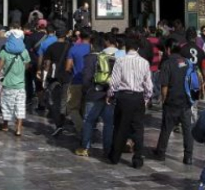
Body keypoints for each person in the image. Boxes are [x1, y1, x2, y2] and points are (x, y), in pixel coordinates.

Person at [107, 36, 153, 168]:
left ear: (125, 48)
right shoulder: (144, 62)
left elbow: (114, 82)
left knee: (120, 127)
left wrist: (110, 94)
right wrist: (145, 98)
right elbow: (148, 85)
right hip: (138, 97)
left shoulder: (120, 61)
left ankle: (115, 156)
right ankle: (138, 159)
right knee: (138, 129)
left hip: (123, 97)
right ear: (138, 48)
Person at [152, 38, 196, 165]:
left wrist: (163, 99)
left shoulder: (167, 63)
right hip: (186, 100)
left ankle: (161, 153)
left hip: (172, 100)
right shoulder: (187, 62)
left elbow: (164, 85)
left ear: (168, 49)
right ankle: (188, 156)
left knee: (166, 128)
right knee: (187, 129)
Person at [76, 35, 116, 157]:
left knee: (89, 120)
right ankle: (107, 149)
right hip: (108, 93)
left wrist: (86, 90)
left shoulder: (89, 58)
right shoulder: (110, 58)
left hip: (93, 94)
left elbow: (87, 77)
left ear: (92, 46)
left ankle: (85, 147)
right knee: (108, 123)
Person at [0, 27, 31, 137]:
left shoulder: (4, 52)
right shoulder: (24, 52)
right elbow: (27, 65)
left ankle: (6, 125)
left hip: (8, 84)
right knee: (20, 107)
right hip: (20, 84)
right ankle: (19, 129)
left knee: (7, 106)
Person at [42, 27, 72, 136]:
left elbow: (47, 64)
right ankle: (62, 120)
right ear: (66, 35)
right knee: (64, 100)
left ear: (55, 34)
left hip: (54, 78)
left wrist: (44, 78)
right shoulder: (70, 47)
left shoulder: (51, 47)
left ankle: (58, 124)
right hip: (67, 76)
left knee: (53, 101)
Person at [65, 28, 92, 136]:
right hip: (90, 83)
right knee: (86, 107)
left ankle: (81, 128)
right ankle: (88, 128)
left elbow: (68, 67)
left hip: (76, 81)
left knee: (72, 107)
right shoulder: (93, 49)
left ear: (79, 36)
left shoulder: (73, 49)